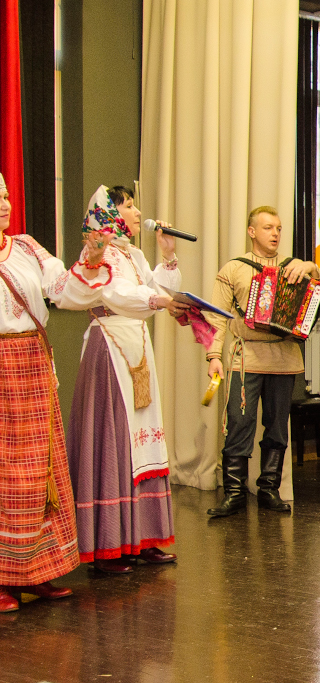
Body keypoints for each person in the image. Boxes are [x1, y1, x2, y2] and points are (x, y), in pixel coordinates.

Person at [54, 186, 190, 574]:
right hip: (110, 347)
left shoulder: (134, 254)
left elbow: (159, 289)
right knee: (115, 440)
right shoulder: (99, 256)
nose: (137, 212)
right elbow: (119, 295)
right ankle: (109, 545)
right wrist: (157, 301)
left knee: (143, 442)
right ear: (111, 214)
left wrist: (168, 256)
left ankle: (143, 536)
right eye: (129, 206)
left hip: (138, 347)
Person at [204, 207, 320, 516]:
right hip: (245, 359)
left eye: (278, 228)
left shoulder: (295, 267)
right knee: (239, 424)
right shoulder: (234, 268)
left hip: (284, 359)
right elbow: (216, 318)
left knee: (277, 427)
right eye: (267, 228)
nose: (275, 233)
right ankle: (234, 494)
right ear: (252, 232)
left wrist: (313, 268)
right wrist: (213, 356)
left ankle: (269, 490)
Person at [0, 173, 79, 610]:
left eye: (6, 195)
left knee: (40, 467)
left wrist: (92, 258)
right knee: (5, 472)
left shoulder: (28, 247)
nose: (5, 204)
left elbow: (62, 289)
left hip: (32, 360)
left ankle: (37, 570)